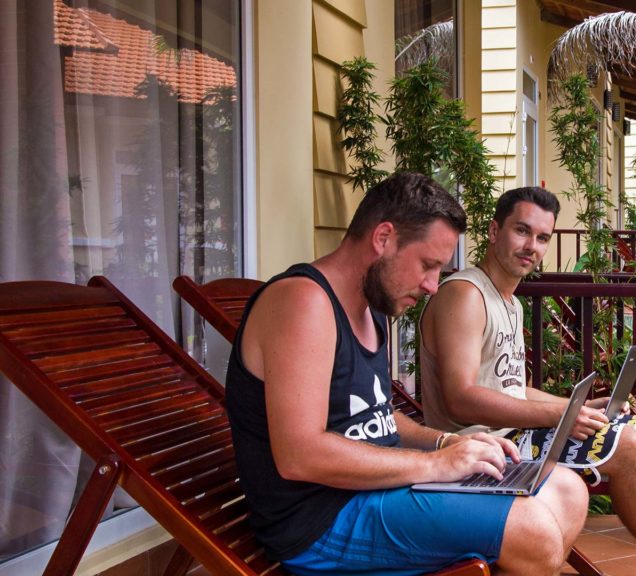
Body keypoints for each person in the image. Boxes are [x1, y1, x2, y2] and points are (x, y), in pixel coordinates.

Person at [225, 173, 588, 576]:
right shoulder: (303, 302)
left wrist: (447, 443)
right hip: (323, 519)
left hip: (379, 487)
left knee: (567, 490)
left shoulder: (370, 308)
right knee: (532, 531)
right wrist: (437, 465)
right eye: (428, 265)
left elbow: (378, 414)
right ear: (383, 238)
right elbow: (299, 456)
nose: (433, 286)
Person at [420, 186, 636, 576]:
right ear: (494, 231)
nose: (532, 246)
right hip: (483, 448)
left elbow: (511, 388)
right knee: (627, 447)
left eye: (542, 237)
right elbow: (461, 399)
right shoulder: (465, 294)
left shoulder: (508, 302)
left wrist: (572, 408)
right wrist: (557, 416)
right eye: (521, 231)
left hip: (513, 436)